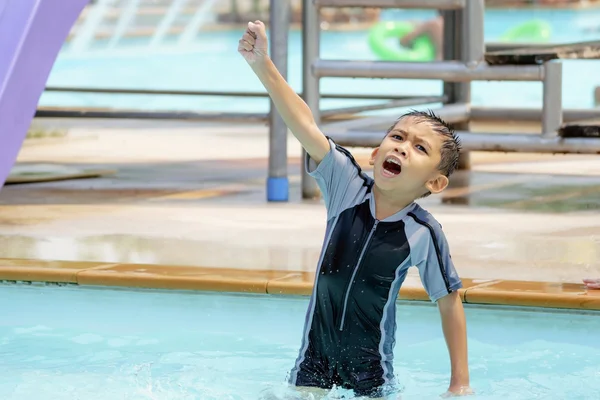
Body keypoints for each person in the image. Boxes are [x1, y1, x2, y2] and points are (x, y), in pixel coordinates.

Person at [239, 21, 472, 398]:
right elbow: (304, 124)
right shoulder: (346, 186)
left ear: (435, 183)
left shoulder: (422, 232)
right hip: (313, 362)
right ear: (376, 154)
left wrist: (459, 384)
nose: (401, 147)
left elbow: (448, 301)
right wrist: (262, 65)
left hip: (369, 371)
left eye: (419, 148)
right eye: (397, 137)